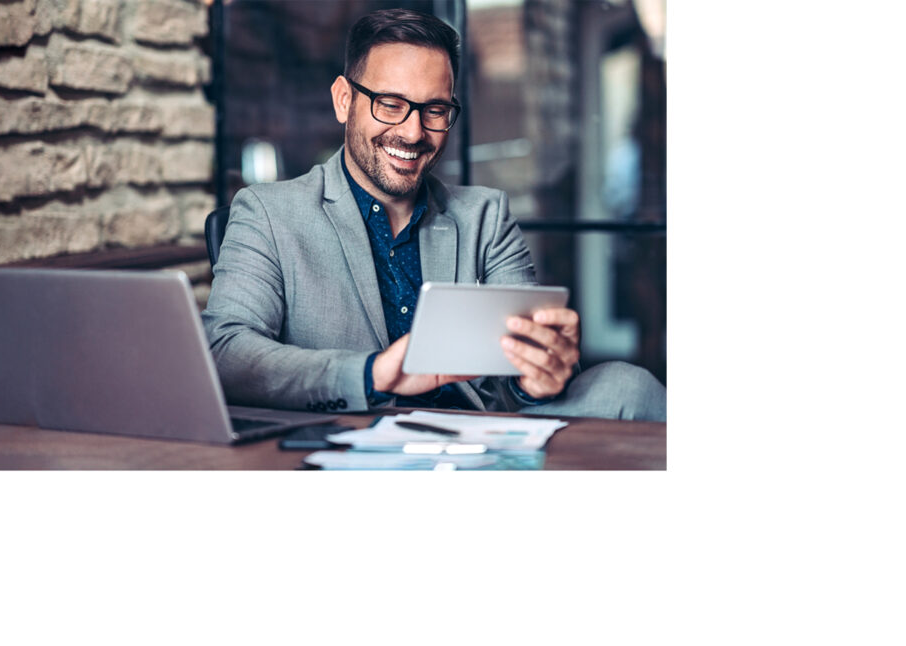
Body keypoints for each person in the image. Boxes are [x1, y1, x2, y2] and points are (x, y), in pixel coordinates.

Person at [202, 8, 665, 421]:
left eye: (435, 109)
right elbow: (225, 353)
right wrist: (370, 374)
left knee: (629, 386)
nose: (412, 131)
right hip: (350, 429)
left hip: (474, 434)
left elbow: (519, 373)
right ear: (345, 100)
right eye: (390, 104)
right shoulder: (266, 212)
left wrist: (537, 378)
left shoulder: (485, 215)